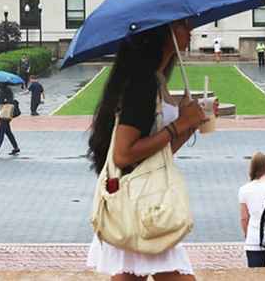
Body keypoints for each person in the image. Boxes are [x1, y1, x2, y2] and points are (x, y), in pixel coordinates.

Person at [86, 21, 206, 280]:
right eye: (182, 25)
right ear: (164, 33)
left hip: (143, 202)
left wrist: (189, 126)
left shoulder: (154, 79)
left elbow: (157, 155)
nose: (190, 29)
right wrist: (179, 125)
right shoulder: (142, 85)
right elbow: (123, 154)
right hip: (142, 205)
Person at [0, 83, 20, 157]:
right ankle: (16, 148)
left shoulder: (3, 91)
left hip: (4, 114)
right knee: (8, 132)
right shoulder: (5, 90)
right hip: (4, 113)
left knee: (1, 132)